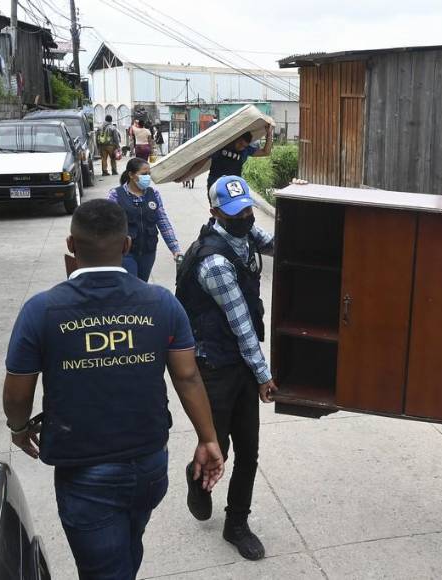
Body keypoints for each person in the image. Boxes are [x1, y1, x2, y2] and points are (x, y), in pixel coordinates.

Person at [3, 199, 225, 579]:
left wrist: (20, 428)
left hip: (84, 474)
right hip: (150, 465)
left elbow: (18, 393)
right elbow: (187, 377)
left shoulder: (41, 311)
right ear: (126, 245)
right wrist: (209, 438)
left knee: (106, 567)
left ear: (72, 246)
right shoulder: (161, 304)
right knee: (125, 547)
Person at [175, 175, 277, 561]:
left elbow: (275, 242)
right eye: (236, 213)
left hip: (238, 364)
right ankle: (197, 479)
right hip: (213, 366)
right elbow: (241, 326)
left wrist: (305, 213)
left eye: (248, 209)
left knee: (248, 450)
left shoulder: (245, 233)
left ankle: (236, 523)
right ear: (215, 212)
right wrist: (264, 374)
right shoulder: (214, 261)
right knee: (220, 445)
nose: (246, 217)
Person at [108, 157, 183, 282]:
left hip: (148, 251)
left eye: (149, 174)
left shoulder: (153, 194)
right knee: (131, 287)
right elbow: (108, 224)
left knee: (143, 284)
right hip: (126, 253)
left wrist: (175, 249)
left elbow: (163, 222)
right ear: (131, 175)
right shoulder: (116, 195)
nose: (147, 177)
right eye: (143, 174)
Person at [205, 126, 273, 190]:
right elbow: (203, 160)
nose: (241, 147)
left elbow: (266, 152)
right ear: (236, 138)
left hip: (233, 185)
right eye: (240, 144)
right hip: (215, 183)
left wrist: (269, 134)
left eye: (244, 146)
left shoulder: (246, 150)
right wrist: (193, 173)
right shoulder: (221, 146)